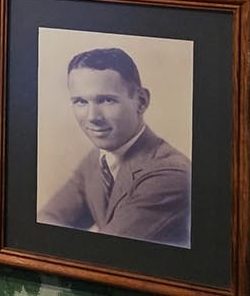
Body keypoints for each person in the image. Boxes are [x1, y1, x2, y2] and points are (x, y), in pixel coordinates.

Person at [37, 47, 191, 247]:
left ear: (141, 101)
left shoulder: (169, 175)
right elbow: (48, 221)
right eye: (81, 101)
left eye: (107, 100)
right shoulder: (98, 158)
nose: (93, 117)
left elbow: (105, 254)